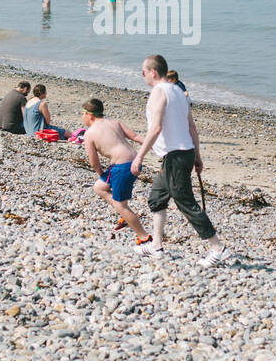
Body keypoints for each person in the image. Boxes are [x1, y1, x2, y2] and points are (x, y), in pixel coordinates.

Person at [131, 54, 230, 266]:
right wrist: (197, 155)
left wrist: (139, 156)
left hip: (176, 156)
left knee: (185, 201)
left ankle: (218, 248)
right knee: (157, 198)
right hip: (178, 154)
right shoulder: (178, 91)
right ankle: (156, 247)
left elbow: (156, 128)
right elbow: (191, 127)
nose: (142, 75)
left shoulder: (159, 92)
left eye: (144, 71)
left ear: (153, 72)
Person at [82, 97, 152, 247]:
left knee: (120, 204)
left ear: (90, 115)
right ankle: (124, 217)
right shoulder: (115, 123)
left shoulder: (90, 133)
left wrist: (100, 173)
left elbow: (94, 162)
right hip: (134, 161)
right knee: (99, 187)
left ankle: (144, 237)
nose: (82, 117)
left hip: (123, 166)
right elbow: (136, 137)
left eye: (83, 114)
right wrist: (153, 145)